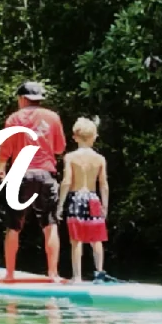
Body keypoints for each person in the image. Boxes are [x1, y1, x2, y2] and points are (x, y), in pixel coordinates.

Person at [0, 81, 66, 281]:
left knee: (14, 226)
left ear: (23, 99)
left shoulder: (13, 119)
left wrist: (0, 170)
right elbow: (60, 149)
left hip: (20, 176)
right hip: (46, 175)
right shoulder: (53, 118)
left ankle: (9, 275)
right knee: (50, 225)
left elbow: (5, 150)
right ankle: (53, 275)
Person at [59, 117, 110, 283]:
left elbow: (67, 181)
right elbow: (103, 184)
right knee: (96, 239)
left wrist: (60, 205)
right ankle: (100, 273)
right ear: (94, 136)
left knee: (76, 239)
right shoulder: (100, 159)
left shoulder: (70, 157)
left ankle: (77, 276)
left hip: (76, 198)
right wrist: (105, 206)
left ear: (75, 137)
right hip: (93, 197)